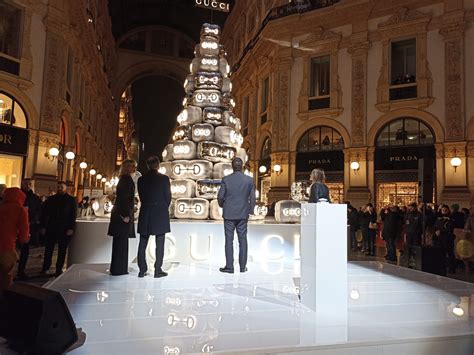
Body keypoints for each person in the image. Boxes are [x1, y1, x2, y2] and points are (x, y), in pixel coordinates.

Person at [218, 157, 256, 273]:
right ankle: (242, 267)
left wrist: (223, 206)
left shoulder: (226, 179)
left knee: (229, 240)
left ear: (232, 166)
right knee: (242, 240)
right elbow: (253, 198)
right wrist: (249, 210)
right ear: (242, 166)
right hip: (243, 214)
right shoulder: (249, 180)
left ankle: (229, 267)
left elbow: (220, 196)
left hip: (229, 214)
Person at [137, 156, 171, 278]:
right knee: (160, 243)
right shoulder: (164, 179)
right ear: (158, 165)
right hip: (160, 212)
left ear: (147, 165)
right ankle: (158, 270)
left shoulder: (141, 180)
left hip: (146, 211)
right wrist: (163, 206)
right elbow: (168, 197)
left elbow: (141, 197)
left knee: (143, 242)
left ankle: (142, 270)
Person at [40, 181, 77, 277]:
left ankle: (58, 268)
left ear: (66, 188)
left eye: (62, 187)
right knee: (48, 249)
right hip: (51, 227)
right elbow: (44, 213)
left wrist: (71, 228)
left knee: (62, 250)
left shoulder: (71, 200)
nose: (60, 188)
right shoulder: (51, 199)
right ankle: (45, 267)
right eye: (59, 187)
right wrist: (43, 226)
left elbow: (73, 215)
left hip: (64, 228)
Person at [107, 159, 137, 276]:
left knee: (119, 242)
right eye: (132, 166)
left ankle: (117, 268)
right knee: (121, 243)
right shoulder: (126, 180)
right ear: (127, 168)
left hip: (120, 215)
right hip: (122, 216)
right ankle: (119, 269)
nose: (134, 169)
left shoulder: (124, 179)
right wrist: (125, 215)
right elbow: (123, 199)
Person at [0, 188, 29, 290]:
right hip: (7, 247)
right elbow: (24, 229)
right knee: (6, 274)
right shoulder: (20, 210)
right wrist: (24, 239)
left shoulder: (1, 207)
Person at [17, 179, 42, 280]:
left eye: (29, 184)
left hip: (29, 226)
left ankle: (21, 270)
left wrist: (34, 221)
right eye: (25, 184)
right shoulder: (17, 196)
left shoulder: (35, 198)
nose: (27, 185)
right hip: (15, 226)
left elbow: (39, 211)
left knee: (25, 250)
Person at [434, 204, 455, 274]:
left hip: (447, 238)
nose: (444, 211)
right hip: (439, 238)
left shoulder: (450, 219)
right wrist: (436, 231)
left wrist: (441, 231)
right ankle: (442, 266)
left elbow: (449, 228)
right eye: (443, 210)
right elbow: (436, 225)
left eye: (445, 210)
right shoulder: (439, 218)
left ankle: (451, 268)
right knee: (441, 253)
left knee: (449, 253)